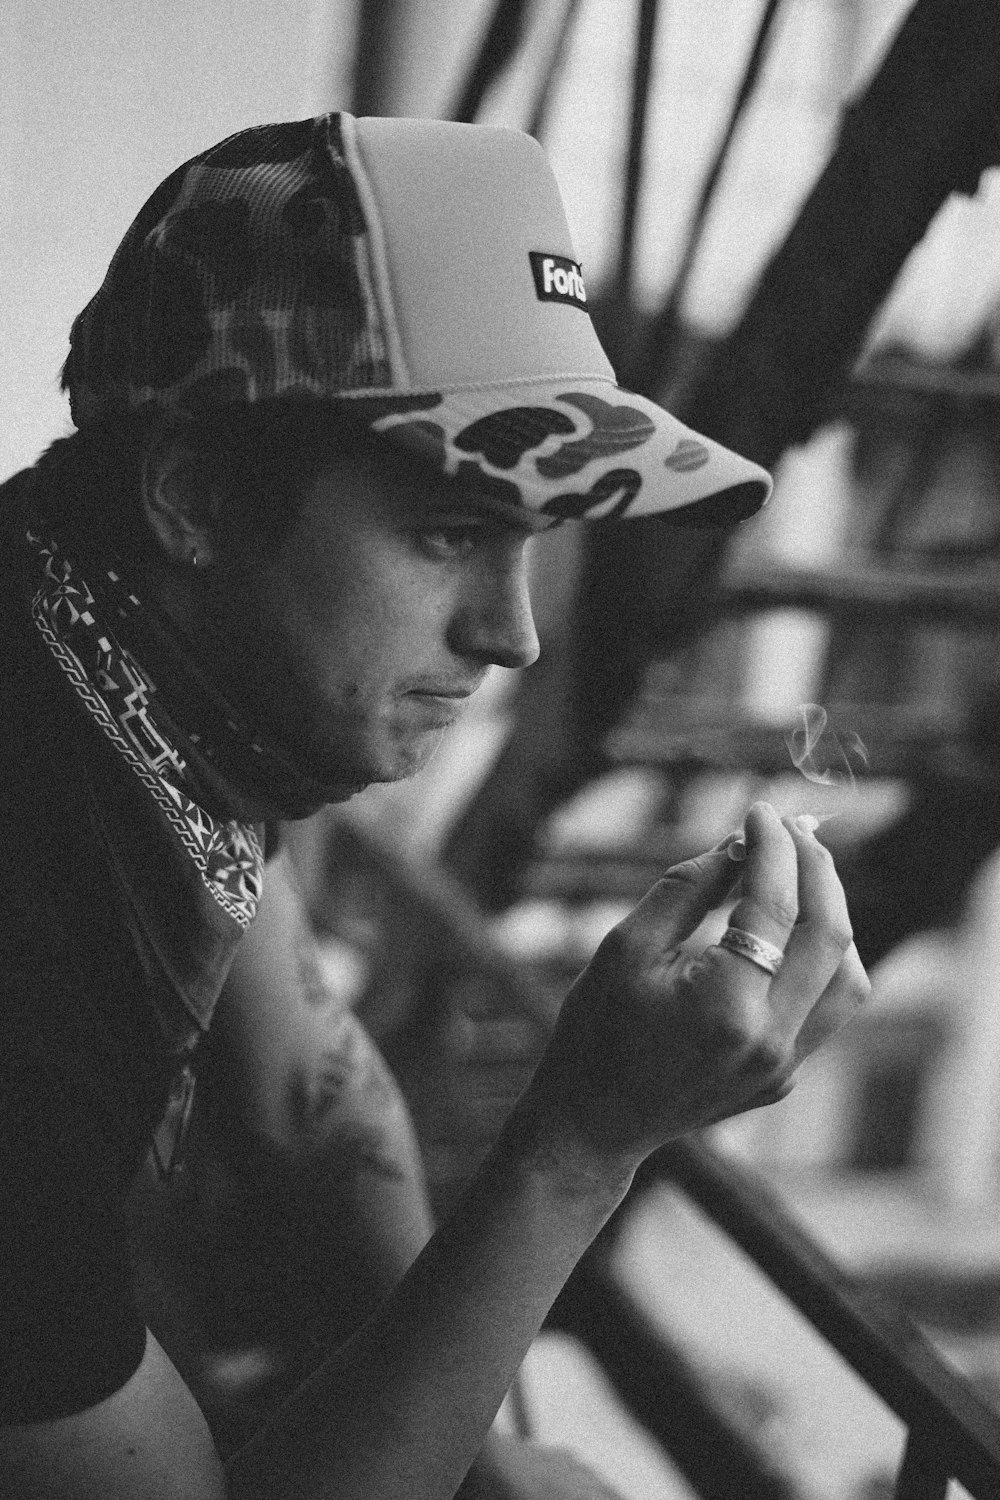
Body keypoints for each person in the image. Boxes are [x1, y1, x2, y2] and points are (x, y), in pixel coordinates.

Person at [0, 111, 869, 1499]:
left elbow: (307, 1099)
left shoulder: (114, 639)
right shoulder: (25, 969)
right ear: (194, 496)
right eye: (450, 535)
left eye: (534, 545)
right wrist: (586, 1146)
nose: (514, 635)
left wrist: (484, 1454)